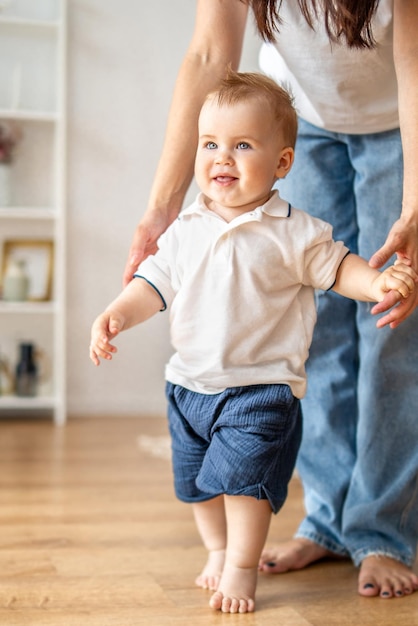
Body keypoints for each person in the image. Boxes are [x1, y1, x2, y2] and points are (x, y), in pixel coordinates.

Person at [122, 0, 418, 600]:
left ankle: (382, 529)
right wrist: (161, 206)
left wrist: (415, 205)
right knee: (315, 328)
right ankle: (330, 519)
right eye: (212, 149)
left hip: (398, 119)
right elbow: (209, 53)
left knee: (391, 320)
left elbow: (414, 56)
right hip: (294, 121)